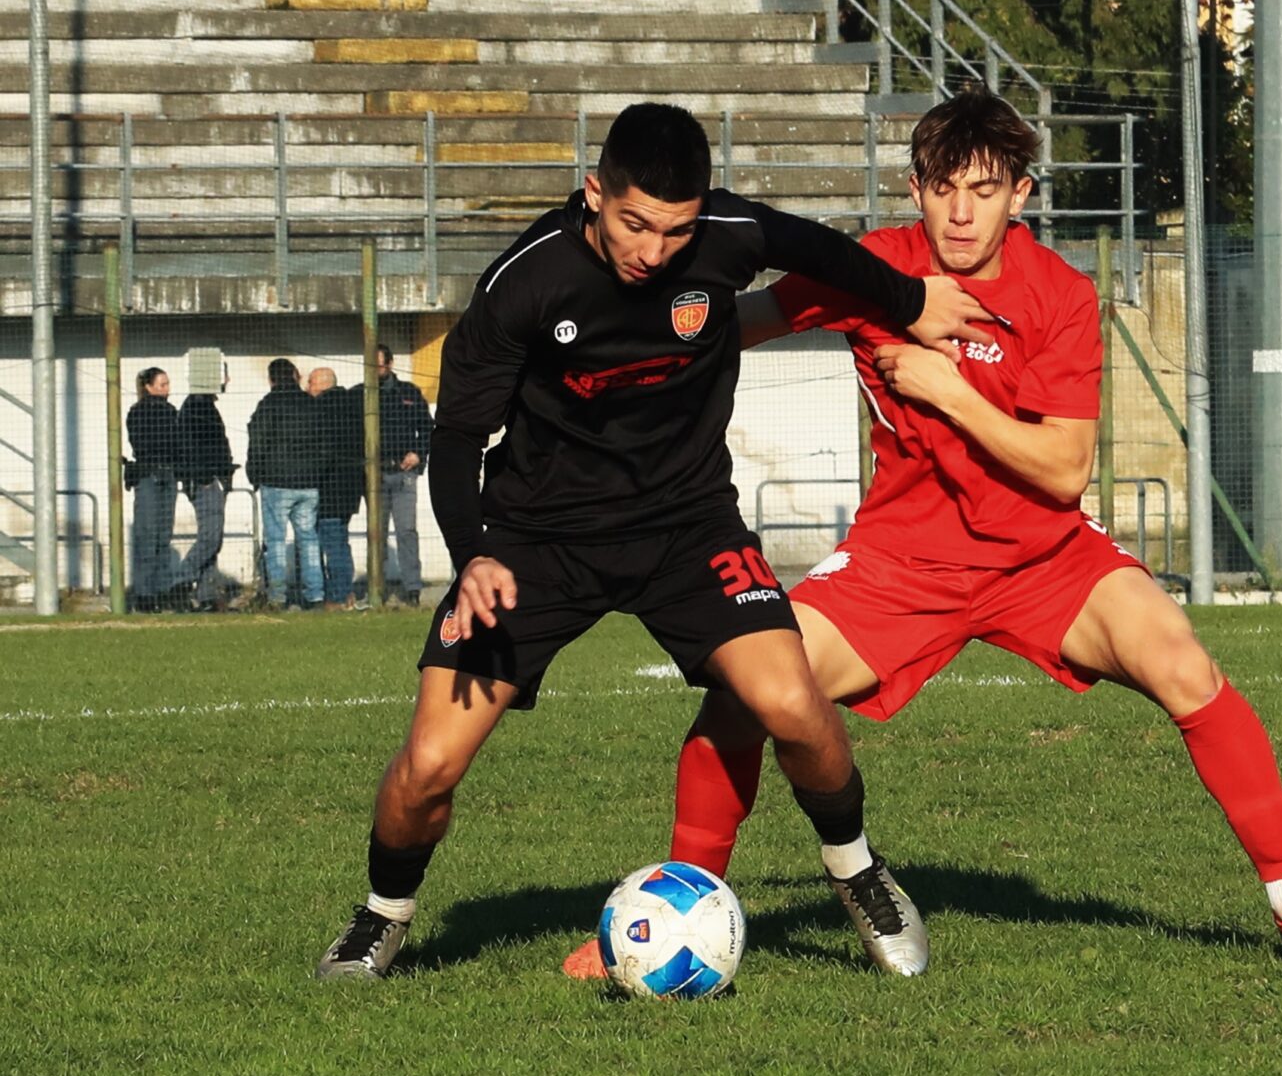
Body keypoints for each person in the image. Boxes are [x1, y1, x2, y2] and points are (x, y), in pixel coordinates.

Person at [563, 87, 1282, 979]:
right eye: (943, 188)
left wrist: (947, 390)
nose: (961, 213)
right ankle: (676, 911)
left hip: (1043, 556)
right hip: (900, 562)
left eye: (985, 190)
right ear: (915, 189)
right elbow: (730, 326)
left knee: (1182, 664)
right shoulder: (871, 269)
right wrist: (609, 346)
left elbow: (1063, 469)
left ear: (1020, 194)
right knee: (748, 695)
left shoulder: (1059, 294)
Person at [314, 101, 992, 980]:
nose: (654, 250)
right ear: (594, 193)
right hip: (534, 544)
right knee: (429, 765)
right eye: (635, 224)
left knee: (793, 706)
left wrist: (911, 302)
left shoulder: (725, 235)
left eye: (675, 231)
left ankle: (858, 873)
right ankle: (382, 915)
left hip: (686, 526)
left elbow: (821, 251)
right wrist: (472, 549)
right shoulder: (525, 280)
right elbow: (457, 438)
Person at [246, 358, 325, 610]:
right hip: (309, 482)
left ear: (271, 379)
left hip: (276, 481)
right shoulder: (311, 404)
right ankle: (315, 595)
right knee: (309, 539)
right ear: (295, 375)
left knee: (276, 540)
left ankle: (277, 596)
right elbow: (324, 441)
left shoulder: (268, 405)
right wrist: (318, 473)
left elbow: (257, 442)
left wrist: (254, 474)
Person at [174, 368, 236, 613]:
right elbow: (191, 445)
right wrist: (206, 477)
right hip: (204, 481)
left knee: (212, 537)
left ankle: (207, 594)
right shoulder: (197, 407)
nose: (227, 380)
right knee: (211, 537)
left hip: (209, 479)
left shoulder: (201, 405)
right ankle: (180, 581)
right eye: (224, 375)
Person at [375, 344, 432, 607]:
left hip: (404, 472)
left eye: (379, 364)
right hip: (375, 474)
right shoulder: (361, 394)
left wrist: (418, 454)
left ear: (390, 363)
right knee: (376, 532)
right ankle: (378, 588)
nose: (376, 369)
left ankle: (412, 589)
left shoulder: (409, 392)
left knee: (406, 530)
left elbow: (428, 428)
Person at [307, 367, 364, 611]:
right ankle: (345, 592)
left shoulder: (320, 409)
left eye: (310, 382)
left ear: (321, 384)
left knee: (332, 543)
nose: (307, 387)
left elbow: (321, 450)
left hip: (328, 486)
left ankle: (338, 595)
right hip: (351, 485)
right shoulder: (355, 406)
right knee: (340, 540)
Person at [125, 367, 181, 613]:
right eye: (162, 385)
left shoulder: (171, 411)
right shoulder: (138, 412)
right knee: (148, 535)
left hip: (167, 472)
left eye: (167, 384)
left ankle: (161, 590)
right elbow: (143, 443)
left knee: (163, 535)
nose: (167, 389)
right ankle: (145, 593)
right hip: (149, 474)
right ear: (148, 387)